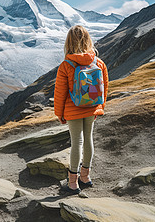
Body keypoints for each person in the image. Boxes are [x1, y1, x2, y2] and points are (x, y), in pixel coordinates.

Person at [54, 25, 109, 194]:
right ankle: (85, 177)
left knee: (76, 142)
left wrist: (60, 113)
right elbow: (104, 87)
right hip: (92, 107)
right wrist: (100, 107)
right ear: (88, 40)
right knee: (88, 140)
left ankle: (72, 183)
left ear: (68, 42)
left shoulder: (66, 65)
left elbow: (60, 93)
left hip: (73, 109)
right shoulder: (98, 62)